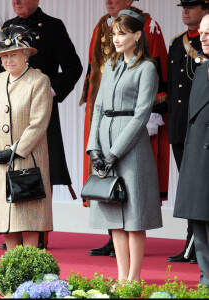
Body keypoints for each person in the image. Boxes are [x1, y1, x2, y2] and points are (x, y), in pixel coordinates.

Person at [0, 0, 82, 251]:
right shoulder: (8, 27)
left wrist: (50, 90)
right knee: (7, 182)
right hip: (9, 117)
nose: (16, 1)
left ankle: (36, 238)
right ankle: (12, 237)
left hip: (38, 110)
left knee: (34, 178)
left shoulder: (52, 26)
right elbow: (3, 79)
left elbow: (74, 66)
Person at [80, 0, 168, 257]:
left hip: (130, 150)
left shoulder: (147, 68)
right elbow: (97, 108)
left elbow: (141, 116)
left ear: (137, 35)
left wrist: (113, 153)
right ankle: (121, 281)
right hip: (105, 144)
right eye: (115, 34)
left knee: (133, 220)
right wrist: (94, 150)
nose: (116, 39)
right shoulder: (110, 66)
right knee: (113, 221)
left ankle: (132, 281)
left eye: (122, 34)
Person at [0, 24, 53, 251]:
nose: (7, 60)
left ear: (25, 54)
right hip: (0, 163)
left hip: (26, 159)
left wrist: (14, 150)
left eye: (12, 54)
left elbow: (38, 123)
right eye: (3, 56)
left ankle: (28, 277)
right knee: (6, 221)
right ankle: (11, 273)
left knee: (28, 220)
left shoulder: (39, 81)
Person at [167, 0, 209, 264]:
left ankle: (194, 244)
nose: (185, 11)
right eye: (183, 6)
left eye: (192, 6)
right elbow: (173, 89)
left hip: (203, 129)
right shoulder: (176, 44)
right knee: (190, 190)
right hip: (182, 125)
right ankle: (191, 242)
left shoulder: (202, 48)